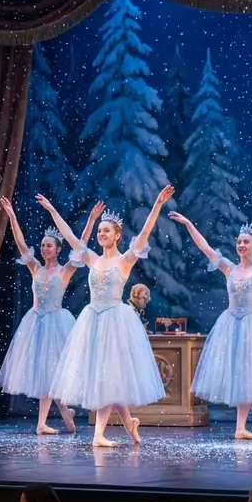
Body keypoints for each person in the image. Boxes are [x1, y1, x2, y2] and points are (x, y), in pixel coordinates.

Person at [43, 187, 174, 447]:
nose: (101, 234)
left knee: (108, 376)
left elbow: (144, 234)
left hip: (114, 322)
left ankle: (99, 435)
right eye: (100, 231)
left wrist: (158, 204)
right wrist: (51, 210)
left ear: (117, 236)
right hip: (92, 320)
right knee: (107, 377)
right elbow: (69, 236)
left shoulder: (125, 260)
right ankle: (129, 422)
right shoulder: (92, 259)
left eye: (106, 231)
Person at [168, 207, 252, 439]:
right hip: (231, 324)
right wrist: (188, 223)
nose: (241, 245)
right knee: (244, 374)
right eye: (239, 242)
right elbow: (205, 247)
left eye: (246, 242)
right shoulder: (228, 268)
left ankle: (241, 427)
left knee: (247, 373)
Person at [0, 196, 97, 434]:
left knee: (53, 373)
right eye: (42, 245)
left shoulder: (65, 271)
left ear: (58, 249)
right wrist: (12, 217)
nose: (44, 249)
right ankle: (57, 416)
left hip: (56, 323)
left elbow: (81, 246)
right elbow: (21, 244)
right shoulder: (35, 268)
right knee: (46, 374)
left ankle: (50, 419)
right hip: (35, 323)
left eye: (49, 246)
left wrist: (91, 221)